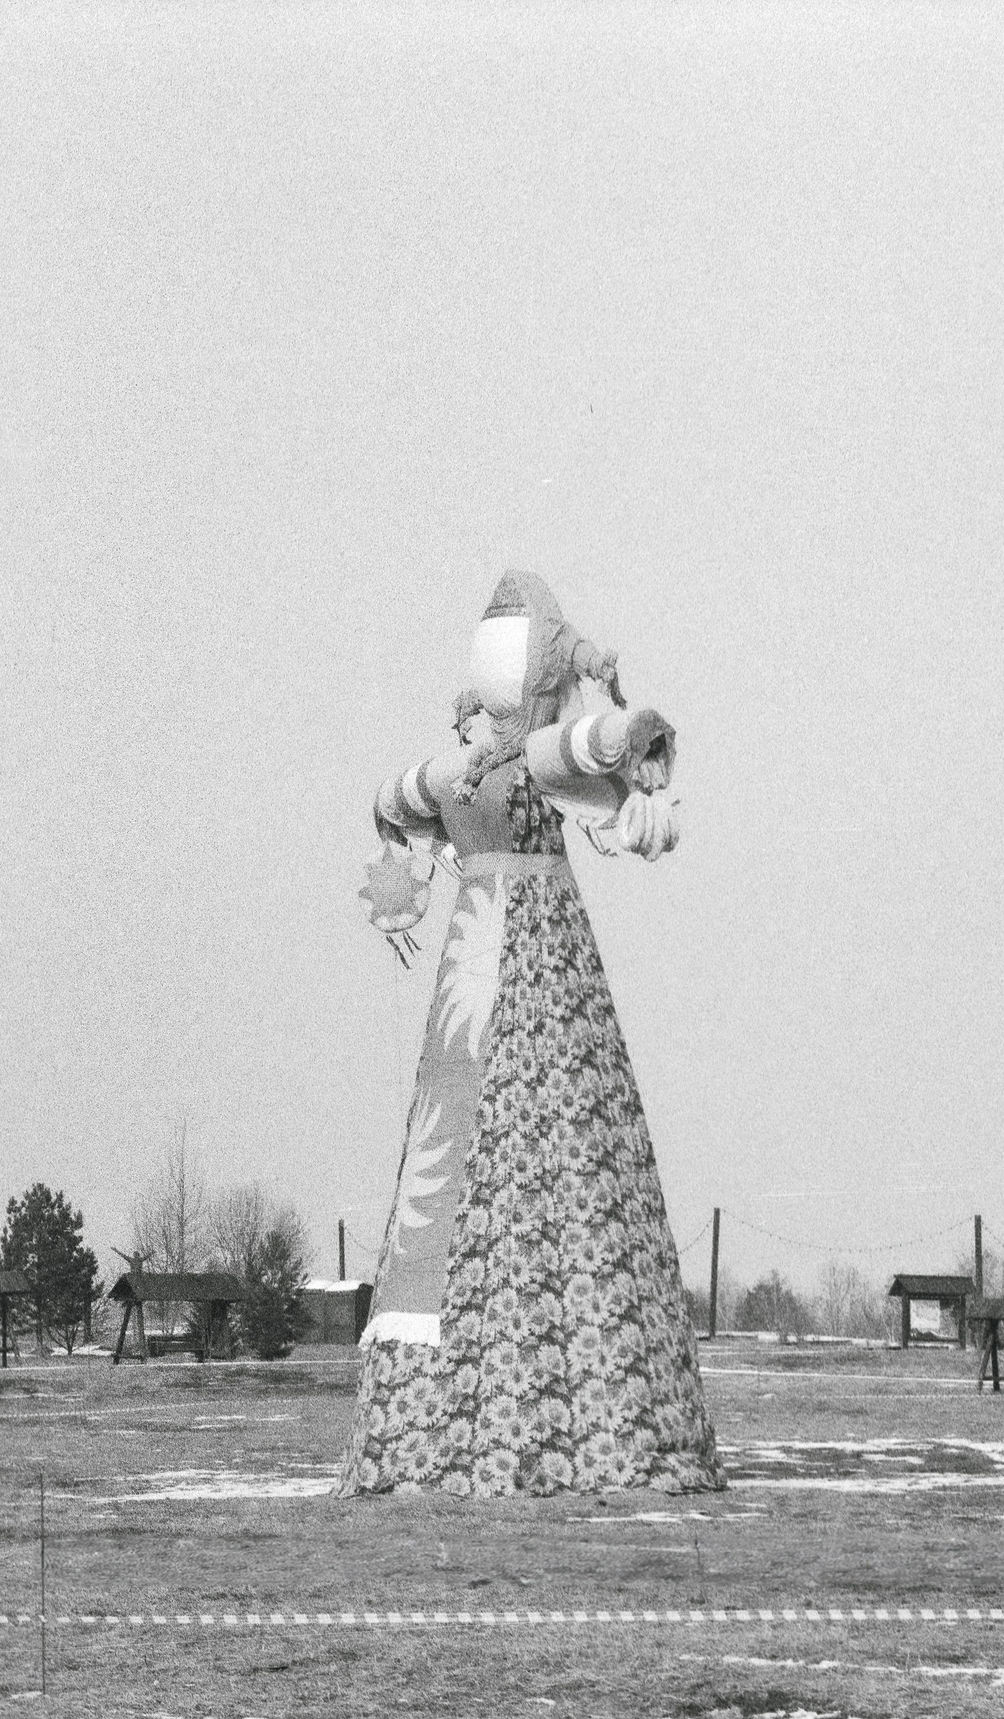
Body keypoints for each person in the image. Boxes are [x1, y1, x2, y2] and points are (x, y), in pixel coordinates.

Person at [340, 573, 718, 1499]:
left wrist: (628, 736)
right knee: (532, 1142)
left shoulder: (476, 765)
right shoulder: (509, 759)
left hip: (489, 960)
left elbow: (401, 796)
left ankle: (442, 1425)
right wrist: (636, 732)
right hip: (515, 959)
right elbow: (591, 744)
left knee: (480, 1155)